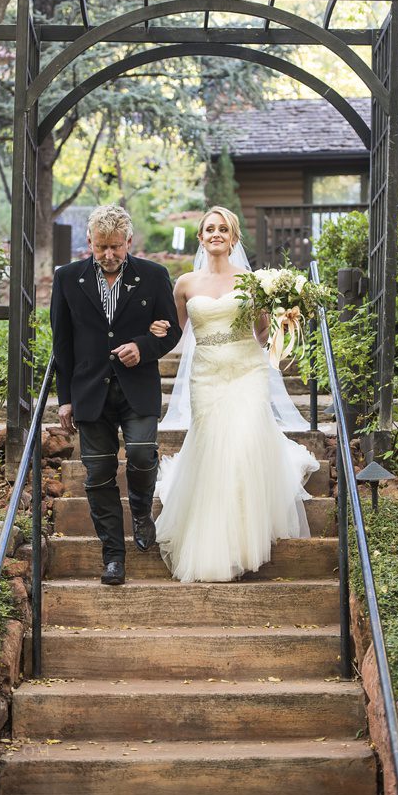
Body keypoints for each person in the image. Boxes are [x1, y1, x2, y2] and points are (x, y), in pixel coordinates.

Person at [151, 206, 318, 582]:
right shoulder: (185, 284)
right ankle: (213, 540)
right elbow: (175, 334)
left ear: (233, 237)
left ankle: (244, 540)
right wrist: (153, 330)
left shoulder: (252, 281)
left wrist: (284, 318)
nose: (216, 234)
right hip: (207, 374)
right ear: (200, 237)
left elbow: (261, 333)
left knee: (243, 445)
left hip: (247, 370)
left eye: (223, 229)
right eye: (209, 228)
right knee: (213, 447)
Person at [50, 204, 182, 586]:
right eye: (101, 247)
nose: (109, 255)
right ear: (89, 241)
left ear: (129, 242)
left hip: (137, 386)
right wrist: (65, 398)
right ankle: (113, 556)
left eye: (116, 248)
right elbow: (62, 343)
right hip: (89, 390)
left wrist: (143, 346)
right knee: (98, 474)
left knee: (142, 453)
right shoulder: (68, 278)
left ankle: (141, 510)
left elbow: (171, 332)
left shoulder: (154, 276)